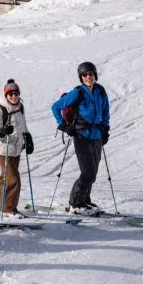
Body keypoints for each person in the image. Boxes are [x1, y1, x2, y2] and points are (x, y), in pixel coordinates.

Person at [51, 61, 110, 216]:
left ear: (95, 75)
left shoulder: (101, 91)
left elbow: (105, 112)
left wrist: (106, 129)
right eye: (85, 75)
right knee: (88, 173)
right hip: (81, 136)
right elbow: (56, 107)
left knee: (93, 173)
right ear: (81, 77)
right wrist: (63, 125)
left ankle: (85, 200)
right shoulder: (78, 92)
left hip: (97, 136)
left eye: (90, 74)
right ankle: (75, 204)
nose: (88, 77)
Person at [0, 79, 34, 214]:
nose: (14, 96)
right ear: (6, 95)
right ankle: (8, 209)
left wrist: (28, 138)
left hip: (17, 149)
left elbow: (23, 125)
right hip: (4, 150)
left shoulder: (20, 107)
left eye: (16, 94)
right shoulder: (0, 110)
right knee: (14, 180)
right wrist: (2, 132)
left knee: (5, 177)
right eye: (11, 94)